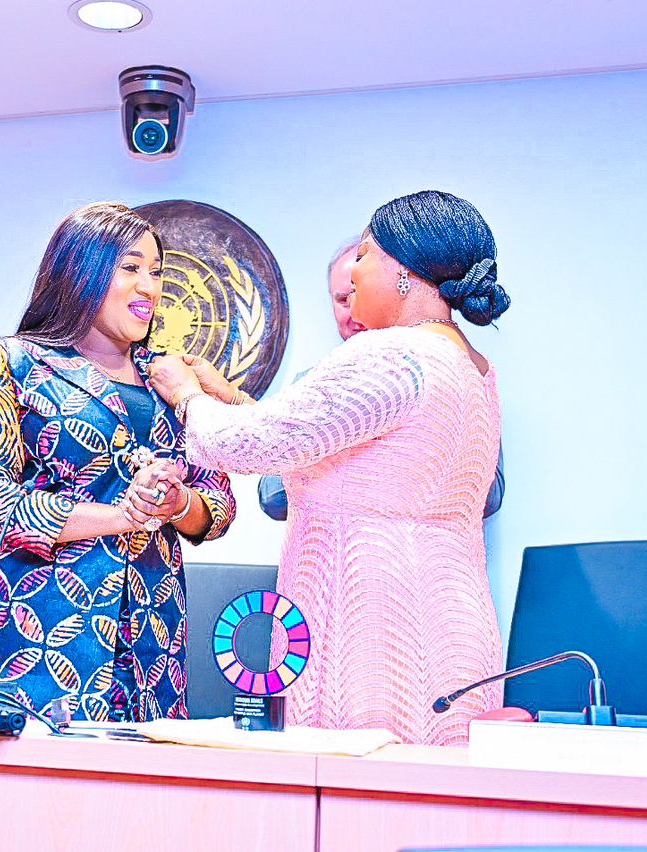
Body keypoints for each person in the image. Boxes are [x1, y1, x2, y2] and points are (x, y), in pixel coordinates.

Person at [150, 190, 508, 745]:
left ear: (404, 271)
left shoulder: (390, 355)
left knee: (355, 789)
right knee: (431, 791)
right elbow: (344, 458)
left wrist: (187, 396)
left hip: (373, 629)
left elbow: (247, 446)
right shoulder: (472, 365)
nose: (354, 276)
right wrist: (232, 398)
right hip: (453, 625)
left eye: (364, 256)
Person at [0, 202, 235, 722]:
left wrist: (178, 504)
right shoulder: (14, 362)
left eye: (156, 272)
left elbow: (218, 505)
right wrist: (121, 516)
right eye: (131, 268)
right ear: (80, 270)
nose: (149, 287)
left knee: (147, 774)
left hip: (155, 636)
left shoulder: (171, 376)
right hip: (38, 630)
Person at [258, 236, 505, 521]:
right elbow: (271, 498)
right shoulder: (309, 382)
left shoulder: (454, 374)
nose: (355, 309)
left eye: (361, 292)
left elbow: (491, 496)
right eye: (342, 299)